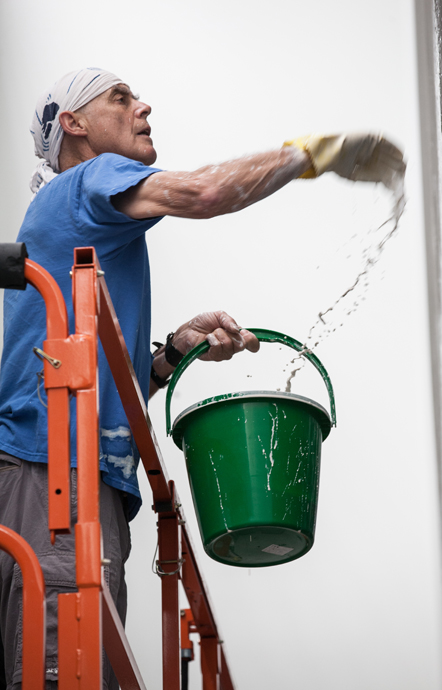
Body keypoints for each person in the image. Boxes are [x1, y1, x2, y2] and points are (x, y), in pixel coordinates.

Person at [0, 67, 405, 689]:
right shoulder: (88, 181)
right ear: (74, 125)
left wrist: (169, 355)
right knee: (66, 672)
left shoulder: (87, 229)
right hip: (55, 476)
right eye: (121, 97)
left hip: (67, 478)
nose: (142, 106)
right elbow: (206, 193)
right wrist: (311, 156)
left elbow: (97, 380)